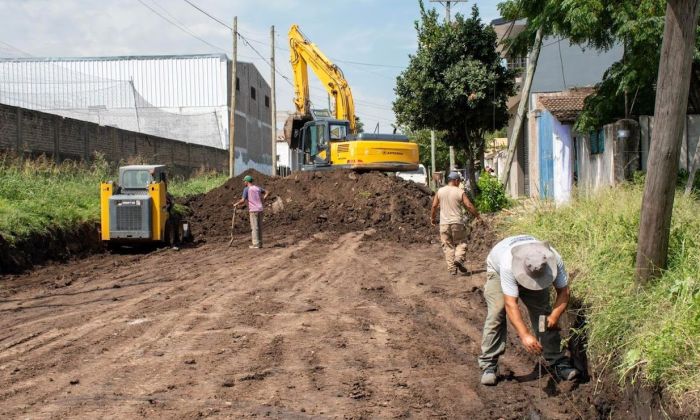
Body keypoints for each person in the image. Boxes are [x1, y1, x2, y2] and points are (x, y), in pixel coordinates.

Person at [479, 235, 579, 386]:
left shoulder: (553, 259)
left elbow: (564, 292)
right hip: (498, 272)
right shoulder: (507, 264)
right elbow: (510, 303)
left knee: (543, 315)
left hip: (533, 269)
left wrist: (554, 316)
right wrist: (524, 335)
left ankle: (558, 361)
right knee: (497, 313)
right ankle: (488, 365)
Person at [430, 171, 481, 275]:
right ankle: (458, 258)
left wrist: (432, 218)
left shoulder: (440, 191)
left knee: (447, 246)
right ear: (456, 180)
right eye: (459, 181)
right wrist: (478, 216)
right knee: (461, 242)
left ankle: (452, 270)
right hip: (457, 223)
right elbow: (469, 205)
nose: (459, 183)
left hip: (444, 224)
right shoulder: (459, 191)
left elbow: (434, 206)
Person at [233, 175, 269, 249]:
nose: (244, 182)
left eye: (244, 181)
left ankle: (255, 244)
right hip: (260, 209)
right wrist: (263, 198)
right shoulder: (257, 188)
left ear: (247, 181)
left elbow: (243, 200)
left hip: (253, 210)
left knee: (254, 228)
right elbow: (267, 192)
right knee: (259, 227)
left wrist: (236, 204)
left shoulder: (246, 189)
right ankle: (260, 243)